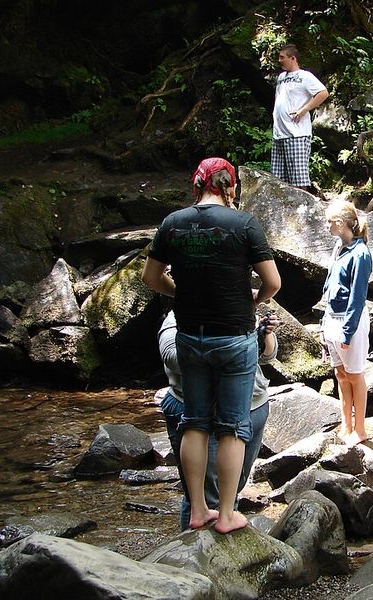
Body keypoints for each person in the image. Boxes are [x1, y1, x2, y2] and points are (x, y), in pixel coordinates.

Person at [142, 157, 281, 534]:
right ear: (230, 187)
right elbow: (273, 282)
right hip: (234, 337)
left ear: (197, 185)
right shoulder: (244, 224)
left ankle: (198, 511)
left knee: (195, 421)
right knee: (233, 428)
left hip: (190, 335)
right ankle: (226, 515)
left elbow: (150, 276)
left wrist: (179, 292)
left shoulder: (173, 223)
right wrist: (252, 302)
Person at [156, 309, 278, 531]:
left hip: (253, 407)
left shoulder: (237, 308)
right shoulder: (178, 318)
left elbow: (269, 356)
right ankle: (195, 560)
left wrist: (262, 334)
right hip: (202, 415)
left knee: (232, 488)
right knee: (203, 497)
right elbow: (172, 358)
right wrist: (225, 345)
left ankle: (225, 538)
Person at [321, 200, 373, 446]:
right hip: (332, 317)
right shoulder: (339, 248)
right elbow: (331, 285)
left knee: (355, 375)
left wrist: (347, 332)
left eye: (329, 221)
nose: (327, 225)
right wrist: (325, 323)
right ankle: (346, 424)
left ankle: (360, 429)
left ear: (340, 223)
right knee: (340, 374)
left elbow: (357, 296)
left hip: (349, 322)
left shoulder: (361, 254)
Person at [272, 44, 329, 191]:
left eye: (282, 57)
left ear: (293, 58)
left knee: (298, 179)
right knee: (279, 180)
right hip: (279, 134)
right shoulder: (281, 77)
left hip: (296, 133)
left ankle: (302, 209)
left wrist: (305, 109)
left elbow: (323, 93)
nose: (279, 60)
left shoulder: (305, 76)